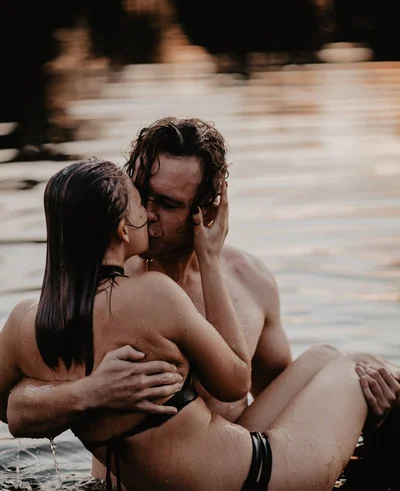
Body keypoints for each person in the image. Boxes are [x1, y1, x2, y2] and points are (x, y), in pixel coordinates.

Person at [1, 158, 399, 491]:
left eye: (167, 204)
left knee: (325, 357)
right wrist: (211, 260)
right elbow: (234, 381)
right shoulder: (154, 294)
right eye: (142, 203)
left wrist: (59, 395)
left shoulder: (25, 320)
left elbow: (7, 406)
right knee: (357, 365)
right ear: (123, 229)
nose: (151, 216)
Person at [5, 118, 291, 442]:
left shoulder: (250, 281)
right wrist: (88, 392)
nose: (147, 212)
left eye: (167, 203)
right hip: (118, 490)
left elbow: (280, 400)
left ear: (207, 213)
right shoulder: (101, 289)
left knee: (354, 370)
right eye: (141, 194)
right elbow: (14, 405)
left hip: (230, 475)